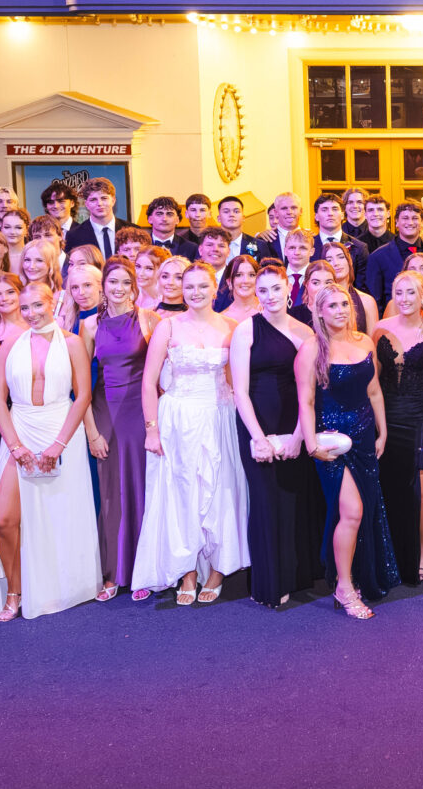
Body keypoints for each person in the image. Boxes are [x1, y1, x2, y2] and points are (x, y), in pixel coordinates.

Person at [0, 280, 102, 622]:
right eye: (25, 308)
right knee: (4, 519)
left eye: (38, 305)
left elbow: (82, 396)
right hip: (19, 429)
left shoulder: (72, 343)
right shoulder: (9, 344)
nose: (31, 313)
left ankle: (61, 587)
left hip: (60, 430)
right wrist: (15, 445)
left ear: (53, 303)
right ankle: (14, 592)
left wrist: (59, 444)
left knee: (58, 515)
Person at [136, 261, 248, 606]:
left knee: (219, 489)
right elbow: (148, 381)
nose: (196, 293)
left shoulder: (233, 327)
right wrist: (152, 429)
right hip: (177, 418)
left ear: (216, 289)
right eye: (189, 287)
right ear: (180, 291)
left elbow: (237, 382)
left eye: (203, 286)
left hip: (219, 416)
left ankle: (217, 570)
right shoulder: (167, 327)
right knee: (182, 492)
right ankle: (187, 571)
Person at [230, 263, 325, 607]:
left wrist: (300, 436)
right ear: (256, 295)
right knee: (266, 502)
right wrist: (257, 437)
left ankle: (297, 576)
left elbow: (310, 393)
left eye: (275, 289)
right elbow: (239, 391)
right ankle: (271, 582)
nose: (270, 297)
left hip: (296, 422)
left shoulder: (307, 333)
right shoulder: (246, 330)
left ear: (289, 289)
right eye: (262, 291)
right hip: (255, 423)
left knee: (294, 500)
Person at [302, 283, 396, 615]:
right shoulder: (312, 349)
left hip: (365, 435)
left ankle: (355, 575)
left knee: (361, 511)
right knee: (352, 512)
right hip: (333, 443)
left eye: (345, 304)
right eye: (333, 306)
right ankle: (344, 587)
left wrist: (382, 431)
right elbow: (307, 401)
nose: (341, 310)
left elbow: (373, 392)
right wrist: (312, 445)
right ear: (320, 312)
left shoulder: (364, 341)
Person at [82, 258, 153, 602]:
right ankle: (112, 573)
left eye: (126, 282)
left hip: (139, 414)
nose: (119, 288)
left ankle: (142, 570)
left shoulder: (148, 319)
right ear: (103, 287)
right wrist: (91, 432)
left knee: (142, 490)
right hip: (105, 413)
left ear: (134, 286)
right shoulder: (89, 327)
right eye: (113, 282)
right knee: (111, 495)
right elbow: (80, 386)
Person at [376, 267, 423, 585]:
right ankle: (391, 551)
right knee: (389, 487)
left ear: (422, 296)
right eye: (399, 293)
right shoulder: (379, 329)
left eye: (411, 292)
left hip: (420, 417)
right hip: (387, 417)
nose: (404, 299)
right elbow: (373, 382)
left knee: (420, 489)